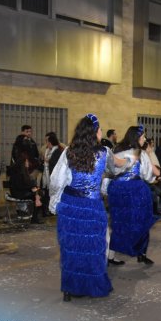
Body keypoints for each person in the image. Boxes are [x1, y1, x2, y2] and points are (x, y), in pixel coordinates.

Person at [49, 114, 113, 302]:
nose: (101, 132)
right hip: (92, 206)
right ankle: (90, 286)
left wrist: (55, 201)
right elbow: (108, 175)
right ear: (94, 132)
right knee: (93, 246)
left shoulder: (69, 152)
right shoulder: (105, 153)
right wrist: (104, 190)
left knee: (71, 247)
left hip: (71, 204)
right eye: (100, 129)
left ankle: (70, 289)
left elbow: (57, 180)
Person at [106, 125, 159, 265]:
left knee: (118, 223)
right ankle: (141, 253)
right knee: (142, 222)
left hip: (117, 191)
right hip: (135, 192)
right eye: (143, 137)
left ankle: (110, 257)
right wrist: (155, 178)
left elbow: (109, 171)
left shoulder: (116, 150)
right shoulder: (140, 154)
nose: (145, 139)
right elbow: (147, 175)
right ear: (137, 138)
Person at [10, 154, 44, 224]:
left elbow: (26, 184)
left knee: (40, 192)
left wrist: (33, 188)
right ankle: (34, 218)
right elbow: (19, 186)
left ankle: (35, 218)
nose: (28, 163)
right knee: (38, 194)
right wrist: (31, 189)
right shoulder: (17, 173)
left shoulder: (23, 171)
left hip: (23, 191)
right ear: (23, 163)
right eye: (27, 161)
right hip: (18, 193)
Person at [42, 132, 64, 216]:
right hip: (47, 176)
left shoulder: (58, 150)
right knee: (46, 193)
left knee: (55, 194)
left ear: (50, 142)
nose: (46, 143)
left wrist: (48, 161)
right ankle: (47, 210)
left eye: (47, 141)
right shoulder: (47, 150)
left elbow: (57, 164)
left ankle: (54, 209)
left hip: (55, 177)